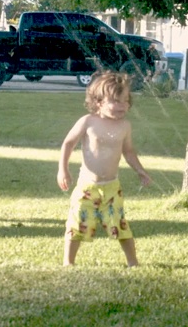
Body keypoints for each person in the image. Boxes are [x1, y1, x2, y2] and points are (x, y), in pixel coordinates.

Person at [57, 71, 151, 267]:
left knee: (120, 225)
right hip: (87, 186)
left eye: (125, 101)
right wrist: (63, 170)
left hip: (111, 188)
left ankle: (133, 262)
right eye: (116, 101)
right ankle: (68, 262)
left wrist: (140, 171)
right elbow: (68, 143)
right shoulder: (88, 122)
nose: (122, 106)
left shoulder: (125, 126)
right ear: (98, 101)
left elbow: (129, 152)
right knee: (77, 224)